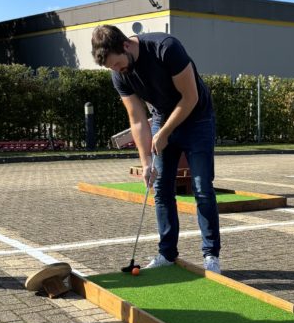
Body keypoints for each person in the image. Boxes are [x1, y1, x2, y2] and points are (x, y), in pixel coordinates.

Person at [91, 24, 221, 273]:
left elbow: (190, 98)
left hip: (197, 118)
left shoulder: (166, 48)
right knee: (160, 188)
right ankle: (167, 254)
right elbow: (138, 119)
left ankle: (211, 256)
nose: (117, 71)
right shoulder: (119, 74)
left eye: (117, 64)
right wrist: (146, 162)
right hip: (162, 118)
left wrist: (164, 133)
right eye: (112, 68)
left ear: (126, 45)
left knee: (202, 188)